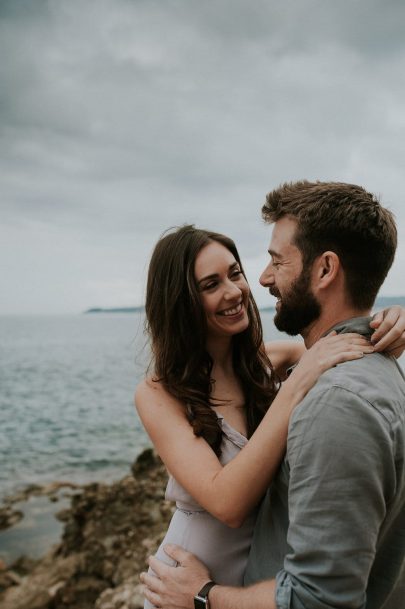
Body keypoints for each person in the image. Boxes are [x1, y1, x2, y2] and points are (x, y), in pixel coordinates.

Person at [141, 182, 405, 609]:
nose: (241, 288)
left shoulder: (270, 360)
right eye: (210, 284)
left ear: (324, 269)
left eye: (235, 273)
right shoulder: (159, 392)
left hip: (242, 590)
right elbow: (227, 502)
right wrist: (295, 387)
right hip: (187, 581)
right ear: (181, 301)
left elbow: (344, 339)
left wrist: (391, 323)